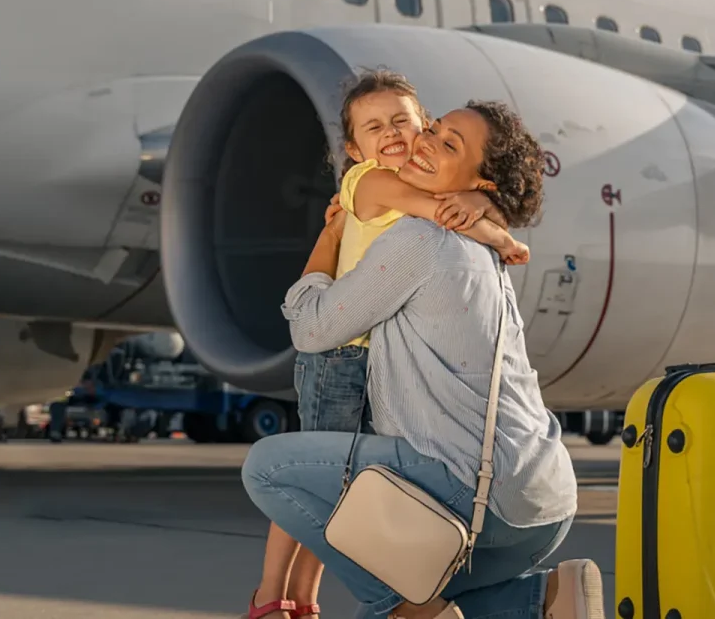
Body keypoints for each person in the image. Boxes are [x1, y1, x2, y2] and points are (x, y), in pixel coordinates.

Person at [244, 101, 600, 619]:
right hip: (543, 507)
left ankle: (410, 609)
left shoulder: (421, 239)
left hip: (475, 499)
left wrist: (330, 238)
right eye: (433, 129)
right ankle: (540, 599)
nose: (426, 141)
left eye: (449, 144)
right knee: (415, 598)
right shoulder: (485, 251)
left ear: (481, 186)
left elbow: (311, 329)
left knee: (269, 468)